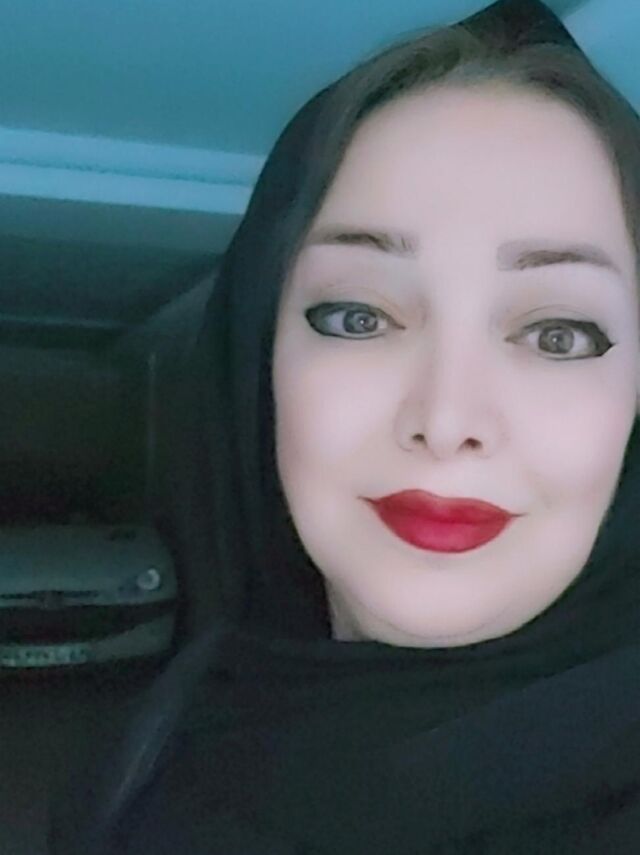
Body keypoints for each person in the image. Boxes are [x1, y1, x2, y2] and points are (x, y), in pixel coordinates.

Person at [49, 0, 640, 852]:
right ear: (258, 358)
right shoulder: (146, 754)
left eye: (558, 334)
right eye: (358, 317)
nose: (445, 419)